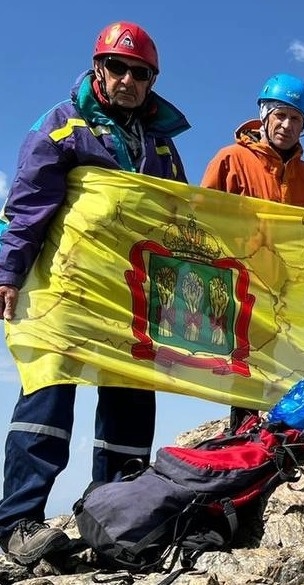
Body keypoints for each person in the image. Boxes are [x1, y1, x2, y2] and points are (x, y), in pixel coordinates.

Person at [0, 21, 189, 566]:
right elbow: (28, 206)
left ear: (152, 81)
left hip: (133, 298)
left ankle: (114, 523)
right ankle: (18, 525)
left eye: (141, 73)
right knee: (47, 399)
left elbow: (177, 221)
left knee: (131, 408)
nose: (129, 79)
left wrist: (176, 299)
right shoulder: (62, 126)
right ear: (97, 68)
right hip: (66, 288)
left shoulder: (162, 145)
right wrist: (8, 273)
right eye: (118, 67)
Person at [201, 73, 304, 431]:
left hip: (288, 298)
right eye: (280, 115)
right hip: (239, 291)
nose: (287, 125)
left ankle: (277, 439)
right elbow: (201, 218)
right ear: (263, 114)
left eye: (296, 118)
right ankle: (243, 439)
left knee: (286, 376)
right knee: (244, 376)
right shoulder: (231, 160)